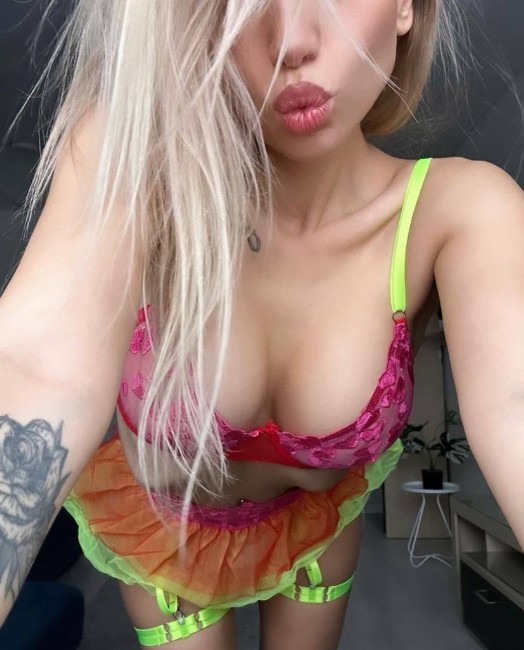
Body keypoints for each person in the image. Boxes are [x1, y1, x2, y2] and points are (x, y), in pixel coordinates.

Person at [1, 1, 524, 648]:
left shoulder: (458, 211)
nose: (291, 42)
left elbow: (514, 403)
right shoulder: (135, 159)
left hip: (313, 534)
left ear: (406, 8)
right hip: (166, 542)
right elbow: (35, 365)